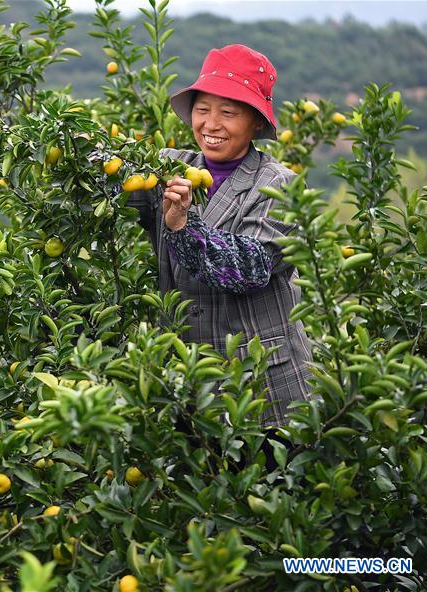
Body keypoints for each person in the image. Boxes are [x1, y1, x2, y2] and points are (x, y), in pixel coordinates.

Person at [127, 44, 314, 439]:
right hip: (190, 386)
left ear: (255, 124)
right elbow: (107, 188)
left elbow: (249, 268)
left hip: (266, 393)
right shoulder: (170, 168)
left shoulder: (278, 186)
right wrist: (69, 150)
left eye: (228, 112)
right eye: (203, 109)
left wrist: (183, 226)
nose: (211, 124)